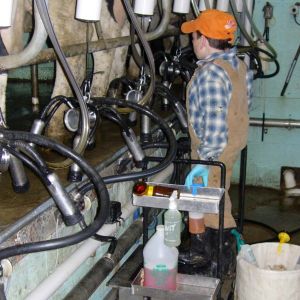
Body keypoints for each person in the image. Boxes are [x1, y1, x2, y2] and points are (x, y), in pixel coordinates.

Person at [178, 9, 253, 276]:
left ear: (203, 40)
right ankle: (220, 251)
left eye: (194, 36)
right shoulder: (239, 64)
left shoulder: (209, 74)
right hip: (233, 142)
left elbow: (215, 122)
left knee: (202, 199)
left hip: (213, 147)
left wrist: (205, 160)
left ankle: (208, 254)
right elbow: (245, 104)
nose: (192, 42)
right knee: (218, 194)